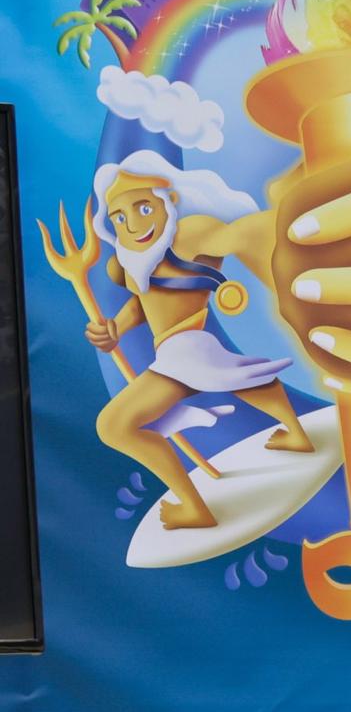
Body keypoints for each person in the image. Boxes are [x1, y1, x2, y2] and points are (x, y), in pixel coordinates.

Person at [88, 151, 313, 529]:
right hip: (178, 351)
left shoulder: (189, 235)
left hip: (186, 348)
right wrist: (114, 329)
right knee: (239, 376)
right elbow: (142, 305)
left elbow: (239, 234)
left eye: (143, 208)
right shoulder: (133, 260)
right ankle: (296, 432)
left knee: (115, 425)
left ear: (168, 202)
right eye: (120, 218)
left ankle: (196, 507)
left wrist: (280, 230)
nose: (132, 225)